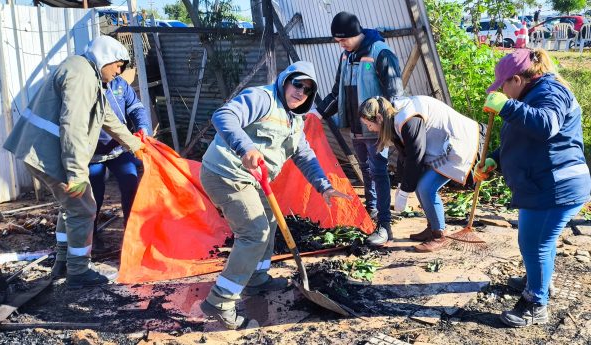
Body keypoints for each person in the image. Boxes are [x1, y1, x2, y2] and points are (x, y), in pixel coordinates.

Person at [198, 61, 352, 330]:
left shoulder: (296, 120)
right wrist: (245, 147)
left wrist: (324, 186)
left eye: (307, 89)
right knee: (254, 232)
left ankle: (257, 279)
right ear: (285, 80)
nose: (301, 92)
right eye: (297, 84)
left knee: (269, 223)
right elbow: (223, 116)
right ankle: (220, 301)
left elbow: (304, 155)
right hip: (227, 174)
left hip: (255, 180)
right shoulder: (263, 98)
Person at [3, 36, 145, 289]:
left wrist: (133, 144)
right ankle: (78, 272)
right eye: (118, 66)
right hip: (46, 154)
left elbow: (106, 116)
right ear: (106, 58)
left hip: (42, 152)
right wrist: (77, 174)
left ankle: (62, 261)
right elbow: (74, 127)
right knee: (83, 208)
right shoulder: (82, 76)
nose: (119, 72)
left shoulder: (85, 72)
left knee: (70, 206)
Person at [475, 49, 591, 327]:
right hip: (543, 184)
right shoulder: (531, 95)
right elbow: (523, 139)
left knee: (534, 244)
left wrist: (507, 107)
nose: (502, 91)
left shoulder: (550, 92)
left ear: (516, 79)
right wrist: (495, 158)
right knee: (540, 242)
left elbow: (545, 126)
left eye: (503, 85)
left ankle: (535, 304)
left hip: (555, 186)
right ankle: (539, 281)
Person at [312, 11, 404, 247]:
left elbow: (395, 96)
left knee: (379, 172)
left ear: (356, 34)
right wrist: (316, 114)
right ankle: (371, 211)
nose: (341, 44)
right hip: (355, 128)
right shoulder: (346, 57)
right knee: (365, 169)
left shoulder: (380, 52)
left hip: (376, 130)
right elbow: (336, 92)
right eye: (338, 41)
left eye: (343, 40)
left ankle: (385, 226)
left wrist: (387, 127)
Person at [359, 96, 484, 252]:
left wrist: (404, 193)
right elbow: (405, 153)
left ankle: (440, 235)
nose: (370, 129)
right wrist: (400, 184)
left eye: (369, 125)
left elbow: (415, 157)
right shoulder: (393, 117)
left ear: (378, 117)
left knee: (426, 187)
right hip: (441, 146)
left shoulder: (408, 118)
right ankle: (432, 227)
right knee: (420, 184)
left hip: (459, 143)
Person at [89, 76, 152, 251]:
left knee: (130, 183)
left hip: (120, 149)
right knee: (94, 196)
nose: (118, 70)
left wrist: (143, 127)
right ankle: (90, 237)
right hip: (92, 155)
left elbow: (136, 107)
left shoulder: (119, 84)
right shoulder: (87, 84)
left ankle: (131, 234)